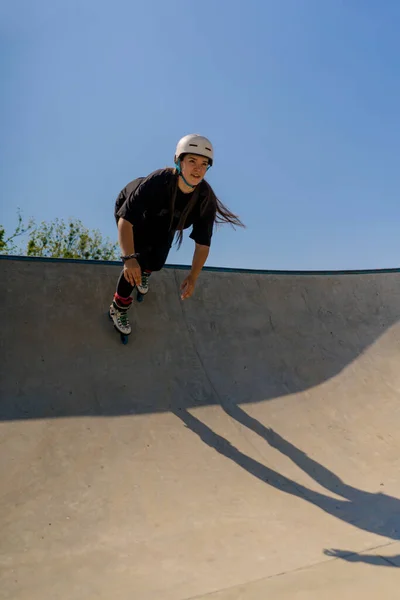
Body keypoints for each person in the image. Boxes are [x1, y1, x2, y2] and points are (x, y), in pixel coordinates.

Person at [109, 133, 245, 336]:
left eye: (204, 164)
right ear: (179, 161)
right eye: (192, 161)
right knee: (138, 258)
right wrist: (129, 259)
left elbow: (202, 245)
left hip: (167, 222)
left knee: (156, 262)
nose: (198, 169)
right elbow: (126, 220)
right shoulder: (158, 181)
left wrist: (193, 277)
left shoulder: (205, 199)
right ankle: (118, 307)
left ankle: (146, 272)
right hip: (134, 216)